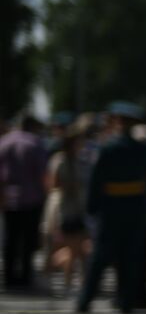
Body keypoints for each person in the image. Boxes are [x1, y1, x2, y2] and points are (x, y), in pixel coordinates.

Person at [77, 103, 146, 314]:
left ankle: (85, 300)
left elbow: (96, 180)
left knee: (100, 257)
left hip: (111, 208)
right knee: (130, 257)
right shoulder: (142, 150)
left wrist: (92, 207)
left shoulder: (107, 148)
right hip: (135, 207)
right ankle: (126, 302)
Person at [0, 114, 48, 289]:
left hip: (8, 197)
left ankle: (8, 277)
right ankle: (25, 276)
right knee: (28, 240)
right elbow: (42, 173)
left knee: (10, 239)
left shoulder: (4, 142)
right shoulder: (35, 143)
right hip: (31, 197)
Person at [42, 127, 89, 296]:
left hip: (79, 209)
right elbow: (52, 183)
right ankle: (64, 278)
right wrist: (71, 185)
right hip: (64, 209)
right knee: (71, 248)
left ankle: (76, 281)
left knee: (80, 249)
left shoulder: (81, 160)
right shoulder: (60, 160)